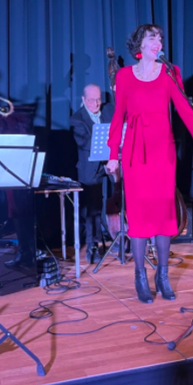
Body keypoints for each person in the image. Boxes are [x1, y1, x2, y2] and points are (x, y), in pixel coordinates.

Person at [106, 25, 193, 303]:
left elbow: (186, 111)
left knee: (163, 214)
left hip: (162, 153)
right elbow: (118, 116)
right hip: (135, 153)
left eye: (160, 38)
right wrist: (113, 154)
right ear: (140, 44)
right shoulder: (124, 75)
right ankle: (139, 275)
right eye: (152, 38)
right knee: (139, 216)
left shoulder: (170, 72)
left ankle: (162, 275)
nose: (158, 42)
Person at [69, 83, 115, 264]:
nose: (96, 104)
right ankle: (93, 245)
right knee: (92, 207)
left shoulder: (108, 110)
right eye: (91, 100)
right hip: (90, 166)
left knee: (123, 193)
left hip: (111, 161)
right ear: (83, 99)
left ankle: (124, 236)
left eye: (98, 100)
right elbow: (85, 143)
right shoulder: (76, 119)